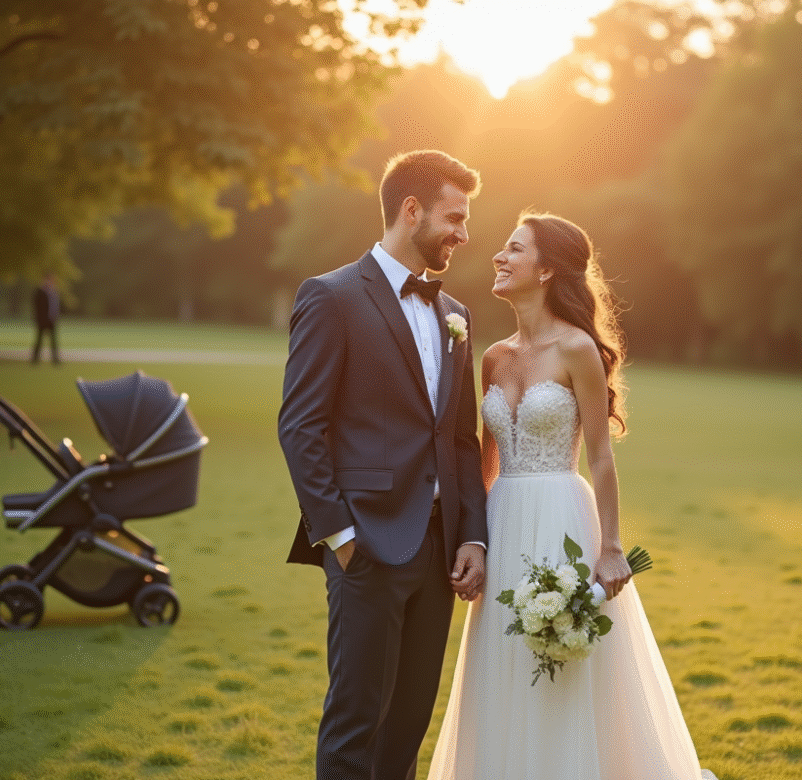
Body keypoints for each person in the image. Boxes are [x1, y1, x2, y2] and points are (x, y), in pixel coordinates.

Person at [428, 212, 716, 780]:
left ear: (548, 269)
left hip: (562, 521)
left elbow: (601, 456)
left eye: (515, 249)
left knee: (563, 662)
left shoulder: (577, 349)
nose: (499, 256)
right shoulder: (494, 356)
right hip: (503, 524)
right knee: (505, 660)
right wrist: (472, 539)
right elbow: (487, 456)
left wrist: (610, 547)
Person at [278, 149, 489, 780]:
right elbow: (301, 426)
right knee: (356, 725)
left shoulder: (456, 316)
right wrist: (340, 536)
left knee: (408, 725)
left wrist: (472, 533)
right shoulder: (332, 296)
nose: (464, 233)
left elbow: (461, 438)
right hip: (365, 543)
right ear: (412, 210)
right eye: (455, 217)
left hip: (439, 552)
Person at [31, 272, 61, 365]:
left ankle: (55, 359)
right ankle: (35, 359)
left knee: (53, 340)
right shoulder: (40, 291)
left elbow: (55, 305)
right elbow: (36, 306)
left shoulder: (53, 291)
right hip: (43, 319)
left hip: (52, 319)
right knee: (39, 339)